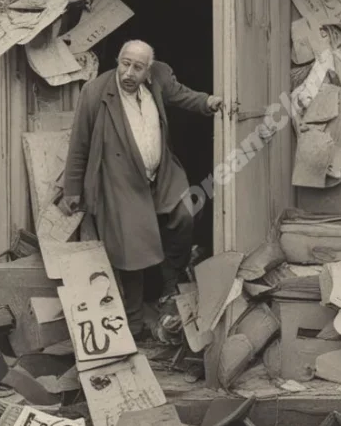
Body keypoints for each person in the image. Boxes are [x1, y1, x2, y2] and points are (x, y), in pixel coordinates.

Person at [61, 40, 222, 340]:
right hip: (120, 179)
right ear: (118, 61)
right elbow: (79, 144)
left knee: (186, 213)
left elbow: (182, 95)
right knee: (131, 250)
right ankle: (134, 322)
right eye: (125, 63)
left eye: (137, 67)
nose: (128, 72)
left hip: (160, 175)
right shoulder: (95, 93)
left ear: (148, 70)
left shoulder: (159, 79)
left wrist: (208, 102)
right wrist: (73, 189)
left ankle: (170, 283)